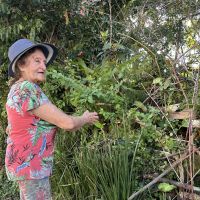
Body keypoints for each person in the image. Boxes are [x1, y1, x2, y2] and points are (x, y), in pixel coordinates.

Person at [5, 38, 99, 200]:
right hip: (32, 167)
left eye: (44, 62)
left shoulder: (15, 90)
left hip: (24, 166)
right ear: (21, 65)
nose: (43, 66)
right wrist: (85, 118)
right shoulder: (28, 89)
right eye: (37, 61)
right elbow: (67, 123)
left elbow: (12, 127)